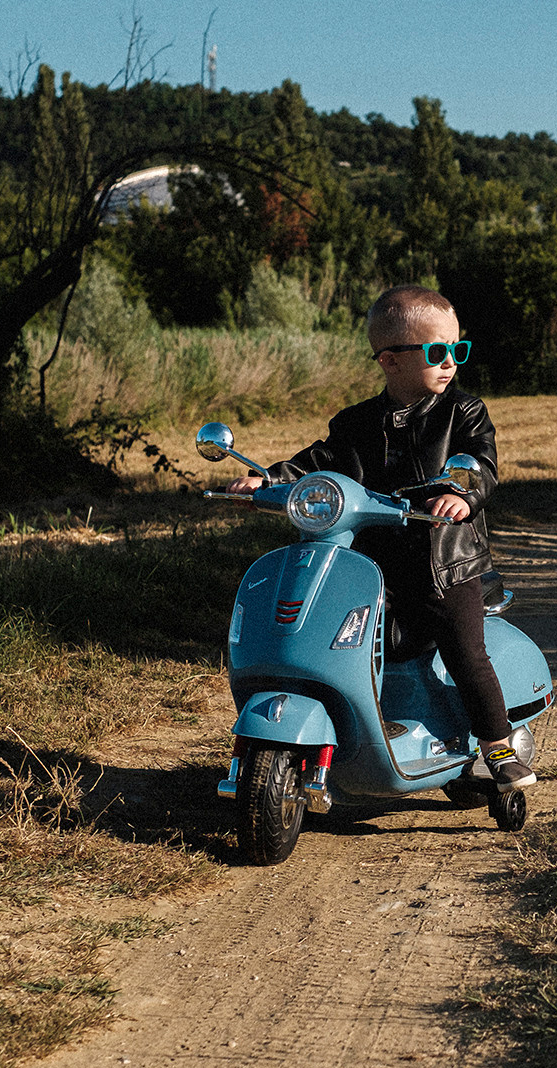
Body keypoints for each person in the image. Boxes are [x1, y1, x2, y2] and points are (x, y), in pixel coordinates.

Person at [224, 285, 535, 791]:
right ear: (390, 361)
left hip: (445, 563)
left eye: (459, 350)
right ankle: (362, 727)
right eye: (438, 352)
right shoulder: (355, 423)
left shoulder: (465, 412)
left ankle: (498, 747)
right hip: (373, 563)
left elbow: (482, 463)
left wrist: (464, 495)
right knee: (334, 631)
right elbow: (318, 461)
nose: (451, 362)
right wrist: (273, 478)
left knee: (464, 649)